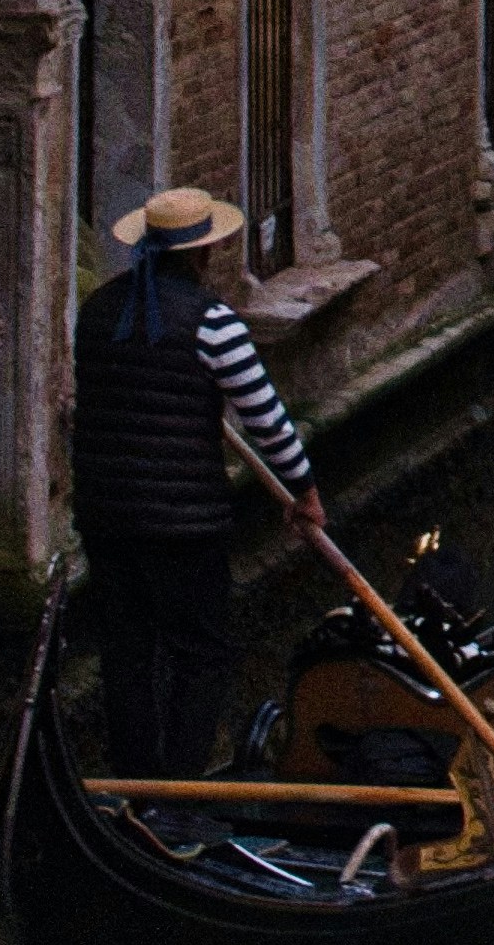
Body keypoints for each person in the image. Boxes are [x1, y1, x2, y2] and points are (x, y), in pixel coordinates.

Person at [67, 187, 319, 780]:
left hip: (107, 519)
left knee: (126, 654)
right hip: (185, 524)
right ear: (204, 255)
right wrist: (304, 491)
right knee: (200, 654)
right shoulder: (214, 323)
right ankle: (180, 790)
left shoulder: (96, 314)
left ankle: (135, 780)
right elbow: (265, 420)